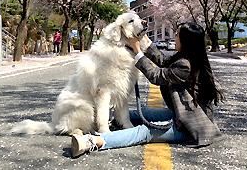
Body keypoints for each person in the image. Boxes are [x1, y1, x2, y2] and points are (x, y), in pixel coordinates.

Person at [71, 22, 224, 158]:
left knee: (146, 132)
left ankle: (93, 142)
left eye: (177, 34)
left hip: (191, 126)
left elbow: (156, 75)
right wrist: (144, 41)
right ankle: (107, 121)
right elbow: (163, 60)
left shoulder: (186, 65)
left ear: (186, 41)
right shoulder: (185, 57)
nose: (175, 36)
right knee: (142, 113)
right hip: (182, 113)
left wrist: (138, 53)